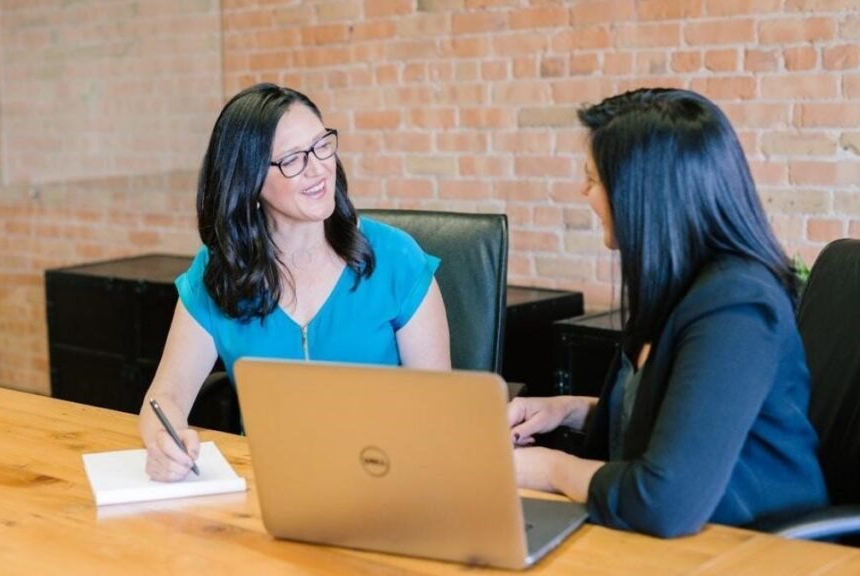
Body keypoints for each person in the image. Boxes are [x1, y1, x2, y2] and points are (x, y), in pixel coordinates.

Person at [507, 88, 828, 537]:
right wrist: (567, 410)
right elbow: (676, 415)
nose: (583, 191)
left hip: (754, 547)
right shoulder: (678, 286)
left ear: (643, 194)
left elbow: (663, 500)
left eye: (593, 179)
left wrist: (549, 469)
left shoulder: (737, 307)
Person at [140, 83, 451, 481]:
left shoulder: (395, 258)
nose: (319, 167)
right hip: (266, 487)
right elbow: (165, 395)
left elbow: (440, 409)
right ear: (249, 181)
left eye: (322, 145)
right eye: (292, 159)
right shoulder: (219, 273)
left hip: (384, 479)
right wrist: (163, 443)